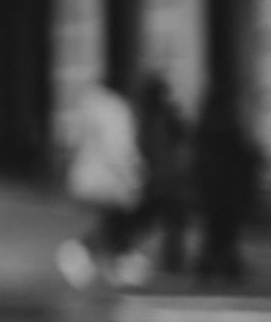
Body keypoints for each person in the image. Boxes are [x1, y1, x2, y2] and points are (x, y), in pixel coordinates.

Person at [56, 81, 148, 289]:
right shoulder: (116, 110)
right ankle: (87, 255)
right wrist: (132, 174)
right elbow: (117, 147)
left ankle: (109, 262)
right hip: (108, 178)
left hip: (90, 175)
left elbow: (75, 140)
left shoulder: (91, 107)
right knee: (118, 219)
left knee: (111, 221)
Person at [191, 89, 262, 284]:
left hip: (216, 190)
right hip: (225, 190)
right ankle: (224, 268)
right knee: (223, 232)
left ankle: (218, 268)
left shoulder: (206, 129)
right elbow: (247, 159)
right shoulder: (229, 129)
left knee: (218, 232)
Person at [132, 74, 189, 273]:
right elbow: (183, 140)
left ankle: (171, 261)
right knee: (172, 221)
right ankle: (173, 261)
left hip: (155, 179)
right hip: (168, 179)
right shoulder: (166, 115)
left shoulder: (144, 118)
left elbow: (141, 147)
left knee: (148, 221)